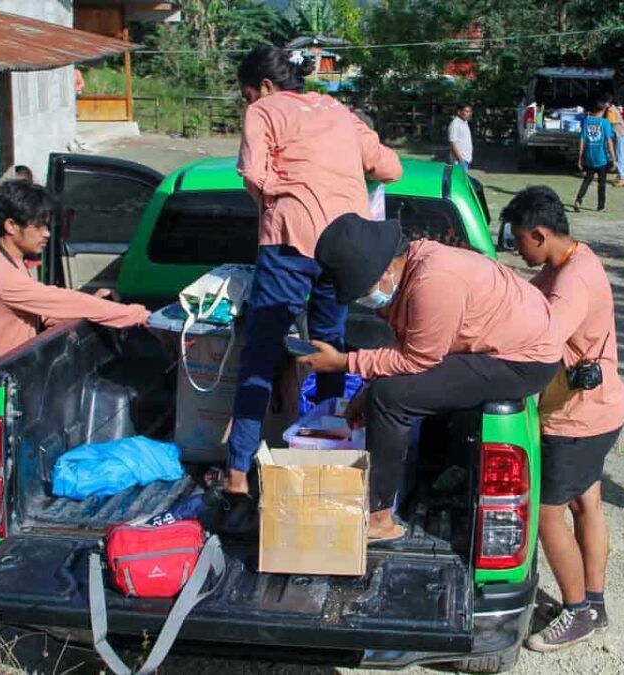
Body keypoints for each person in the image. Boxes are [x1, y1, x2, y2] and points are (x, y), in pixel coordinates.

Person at [301, 214, 562, 542]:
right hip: (497, 344)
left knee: (391, 397)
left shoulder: (433, 280)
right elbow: (412, 345)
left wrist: (343, 362)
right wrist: (365, 390)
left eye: (363, 291)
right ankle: (426, 476)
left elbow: (417, 358)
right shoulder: (410, 270)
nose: (364, 302)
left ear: (386, 271)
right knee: (387, 390)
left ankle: (380, 518)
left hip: (524, 360)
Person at [227, 45, 403, 495]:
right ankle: (329, 453)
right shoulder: (340, 111)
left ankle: (237, 476)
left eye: (249, 94)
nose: (251, 102)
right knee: (331, 349)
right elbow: (392, 168)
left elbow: (253, 175)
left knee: (260, 355)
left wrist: (282, 194)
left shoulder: (264, 110)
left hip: (290, 241)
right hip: (347, 245)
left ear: (264, 87)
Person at [502, 186, 624, 652]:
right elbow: (527, 298)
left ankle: (577, 614)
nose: (516, 247)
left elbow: (545, 337)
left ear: (540, 234)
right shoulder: (568, 263)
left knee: (545, 515)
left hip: (578, 421)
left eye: (519, 239)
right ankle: (593, 603)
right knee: (585, 505)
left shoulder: (574, 280)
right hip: (598, 410)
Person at [0, 180, 150, 377]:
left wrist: (93, 305)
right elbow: (57, 299)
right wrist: (139, 316)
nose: (47, 234)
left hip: (12, 373)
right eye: (39, 226)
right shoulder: (3, 278)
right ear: (11, 226)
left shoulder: (3, 258)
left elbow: (44, 312)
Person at [574, 98, 616, 213]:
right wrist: (614, 159)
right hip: (602, 158)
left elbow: (582, 140)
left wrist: (580, 157)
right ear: (603, 110)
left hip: (589, 157)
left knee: (587, 180)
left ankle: (578, 199)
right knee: (601, 183)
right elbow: (609, 141)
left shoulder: (587, 122)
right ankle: (600, 206)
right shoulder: (605, 123)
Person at [603, 94, 624, 187]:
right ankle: (621, 176)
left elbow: (608, 124)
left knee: (620, 156)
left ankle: (622, 178)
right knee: (621, 155)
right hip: (623, 134)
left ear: (607, 103)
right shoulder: (614, 109)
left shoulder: (611, 111)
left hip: (621, 134)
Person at [448, 103, 473, 172]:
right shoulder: (455, 124)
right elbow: (452, 143)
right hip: (459, 161)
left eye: (470, 112)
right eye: (466, 111)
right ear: (459, 112)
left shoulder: (465, 123)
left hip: (466, 159)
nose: (469, 114)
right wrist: (460, 160)